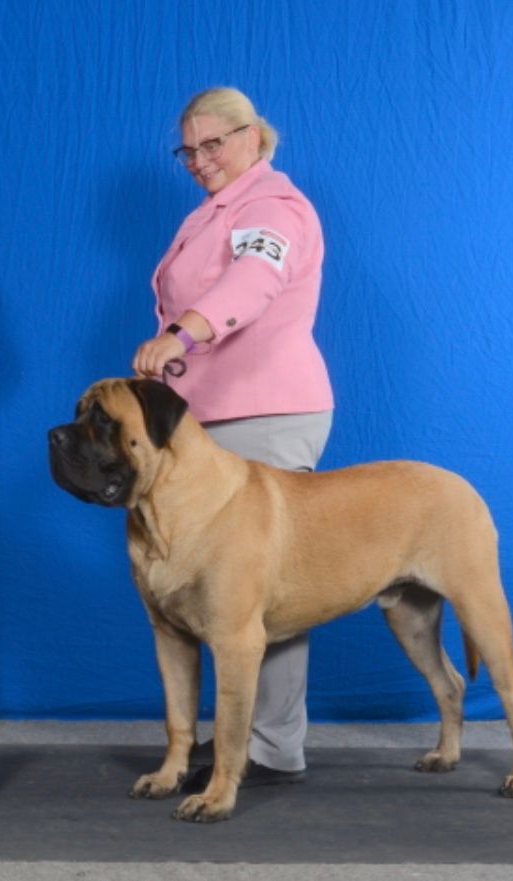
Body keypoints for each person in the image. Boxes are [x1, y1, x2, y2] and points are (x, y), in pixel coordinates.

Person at [132, 86, 334, 787]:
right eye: (187, 150)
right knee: (216, 587)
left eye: (213, 143)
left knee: (266, 591)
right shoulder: (215, 211)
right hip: (206, 418)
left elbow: (254, 281)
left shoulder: (272, 206)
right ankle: (228, 745)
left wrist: (181, 332)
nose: (199, 160)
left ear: (254, 135)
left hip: (264, 411)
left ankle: (269, 750)